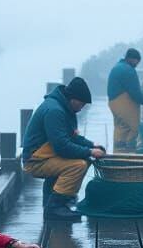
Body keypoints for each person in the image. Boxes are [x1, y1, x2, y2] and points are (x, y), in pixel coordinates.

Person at [22, 76, 106, 222]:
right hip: (35, 160)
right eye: (82, 104)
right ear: (73, 99)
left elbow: (71, 137)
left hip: (45, 155)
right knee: (78, 165)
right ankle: (55, 208)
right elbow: (62, 146)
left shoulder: (63, 106)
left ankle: (51, 204)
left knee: (76, 161)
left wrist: (91, 145)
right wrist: (90, 152)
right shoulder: (55, 111)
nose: (82, 108)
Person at [106, 47, 143, 152]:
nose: (137, 64)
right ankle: (129, 153)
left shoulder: (118, 67)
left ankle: (118, 155)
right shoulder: (128, 70)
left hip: (113, 103)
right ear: (132, 59)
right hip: (122, 103)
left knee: (121, 128)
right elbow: (136, 93)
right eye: (137, 62)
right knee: (133, 128)